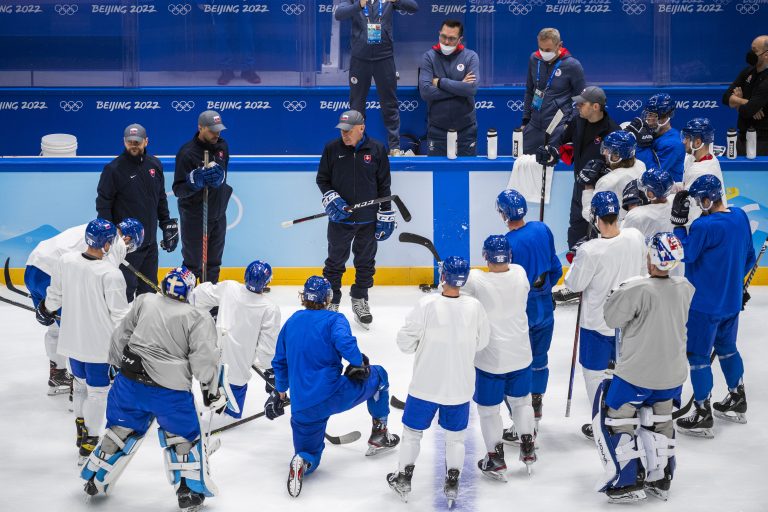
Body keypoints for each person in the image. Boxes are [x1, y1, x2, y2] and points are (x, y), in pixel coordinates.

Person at [80, 266, 226, 512]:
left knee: (120, 429)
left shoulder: (144, 301)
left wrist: (115, 365)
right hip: (169, 393)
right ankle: (188, 491)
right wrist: (211, 391)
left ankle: (94, 476)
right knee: (183, 437)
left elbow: (120, 336)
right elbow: (204, 359)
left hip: (128, 384)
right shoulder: (198, 317)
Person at [267, 276, 398, 498]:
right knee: (380, 376)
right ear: (327, 297)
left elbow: (280, 362)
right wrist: (359, 363)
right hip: (333, 394)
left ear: (304, 296)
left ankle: (302, 461)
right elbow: (345, 343)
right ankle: (380, 434)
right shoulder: (334, 319)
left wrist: (280, 393)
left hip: (302, 407)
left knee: (309, 453)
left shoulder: (292, 322)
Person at [595, 232, 694, 503]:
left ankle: (627, 480)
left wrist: (616, 295)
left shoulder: (636, 289)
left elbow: (612, 318)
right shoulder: (686, 287)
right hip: (672, 376)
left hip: (635, 375)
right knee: (662, 421)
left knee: (617, 420)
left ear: (651, 257)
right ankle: (662, 478)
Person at [388, 256, 489, 506]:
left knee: (412, 433)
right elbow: (482, 342)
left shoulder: (426, 304)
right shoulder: (475, 307)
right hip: (459, 388)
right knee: (456, 438)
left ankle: (403, 477)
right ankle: (453, 480)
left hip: (425, 386)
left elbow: (404, 343)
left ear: (443, 276)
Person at [35, 219, 130, 463]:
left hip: (71, 342)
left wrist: (45, 309)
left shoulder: (66, 261)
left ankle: (81, 430)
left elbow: (54, 296)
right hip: (98, 347)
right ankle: (90, 443)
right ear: (107, 244)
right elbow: (120, 317)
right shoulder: (112, 274)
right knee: (97, 393)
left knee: (79, 386)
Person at [671, 175, 756, 438]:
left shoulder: (703, 226)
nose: (699, 205)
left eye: (700, 201)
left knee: (698, 356)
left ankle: (702, 412)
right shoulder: (740, 216)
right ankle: (737, 397)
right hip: (731, 301)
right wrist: (734, 284)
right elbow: (749, 258)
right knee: (728, 348)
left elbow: (685, 253)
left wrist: (678, 226)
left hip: (704, 305)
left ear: (708, 199)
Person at [562, 192, 645, 440]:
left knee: (594, 373)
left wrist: (577, 258)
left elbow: (574, 284)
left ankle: (601, 423)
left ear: (595, 218)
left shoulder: (590, 250)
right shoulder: (635, 236)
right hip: (629, 321)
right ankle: (624, 418)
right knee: (624, 372)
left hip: (597, 323)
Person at [26, 219, 143, 395]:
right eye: (131, 246)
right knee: (77, 331)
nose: (127, 249)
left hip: (32, 268)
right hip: (50, 275)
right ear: (127, 238)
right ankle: (82, 381)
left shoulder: (98, 229)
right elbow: (102, 285)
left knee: (55, 327)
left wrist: (48, 307)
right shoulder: (114, 243)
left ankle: (58, 374)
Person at [463, 236, 536, 481]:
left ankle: (495, 457)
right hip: (521, 354)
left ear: (485, 256)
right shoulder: (520, 272)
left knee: (488, 410)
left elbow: (455, 292)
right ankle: (528, 446)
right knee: (522, 402)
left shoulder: (476, 279)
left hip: (490, 358)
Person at [316, 110, 395, 328]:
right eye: (342, 130)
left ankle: (360, 298)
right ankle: (332, 299)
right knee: (334, 263)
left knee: (365, 263)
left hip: (367, 221)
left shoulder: (377, 149)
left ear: (361, 128)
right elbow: (322, 179)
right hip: (340, 220)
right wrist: (331, 196)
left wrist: (385, 212)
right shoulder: (332, 148)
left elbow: (384, 185)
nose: (344, 134)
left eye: (349, 130)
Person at [496, 190, 562, 433]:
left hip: (522, 310)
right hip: (545, 305)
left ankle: (521, 423)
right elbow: (556, 269)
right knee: (540, 357)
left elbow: (504, 286)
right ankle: (536, 402)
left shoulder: (507, 243)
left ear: (504, 213)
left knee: (516, 362)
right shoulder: (542, 229)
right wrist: (544, 290)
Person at [189, 260, 279, 421]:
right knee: (230, 414)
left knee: (212, 384)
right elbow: (267, 346)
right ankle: (223, 416)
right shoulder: (269, 308)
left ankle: (213, 405)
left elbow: (199, 295)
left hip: (212, 356)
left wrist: (190, 301)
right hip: (238, 366)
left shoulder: (230, 287)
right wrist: (270, 369)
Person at [97, 123, 178, 301]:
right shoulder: (113, 169)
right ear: (124, 142)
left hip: (150, 244)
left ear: (146, 141)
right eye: (130, 142)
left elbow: (160, 198)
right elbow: (103, 205)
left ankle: (144, 321)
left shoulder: (155, 164)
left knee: (148, 295)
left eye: (137, 142)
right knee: (123, 294)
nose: (133, 145)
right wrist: (110, 237)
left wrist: (166, 224)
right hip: (126, 246)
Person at [536, 86, 620, 248]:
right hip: (580, 189)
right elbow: (561, 142)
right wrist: (551, 153)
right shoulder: (577, 121)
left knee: (601, 237)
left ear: (595, 106)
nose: (578, 106)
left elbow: (619, 165)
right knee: (576, 233)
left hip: (602, 192)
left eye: (582, 104)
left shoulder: (612, 131)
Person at [335, 0, 419, 155]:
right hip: (360, 60)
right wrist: (359, 5)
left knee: (389, 104)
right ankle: (357, 146)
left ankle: (394, 147)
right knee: (357, 105)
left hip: (384, 58)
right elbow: (339, 14)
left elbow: (413, 7)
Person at [173, 110, 232, 284]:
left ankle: (210, 297)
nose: (217, 134)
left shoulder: (222, 147)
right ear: (200, 127)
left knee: (214, 264)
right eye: (212, 130)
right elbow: (178, 190)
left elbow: (223, 175)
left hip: (218, 215)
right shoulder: (187, 153)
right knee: (193, 265)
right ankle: (189, 298)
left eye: (219, 129)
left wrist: (220, 177)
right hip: (195, 218)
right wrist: (194, 182)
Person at [418, 19, 479, 156]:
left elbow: (471, 89)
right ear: (439, 33)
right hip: (437, 130)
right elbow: (426, 92)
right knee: (436, 169)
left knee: (466, 168)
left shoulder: (471, 57)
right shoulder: (428, 57)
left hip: (466, 130)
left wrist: (441, 82)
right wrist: (460, 86)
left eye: (451, 39)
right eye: (443, 36)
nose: (446, 42)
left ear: (460, 39)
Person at [522, 27, 586, 154]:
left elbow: (581, 98)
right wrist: (525, 120)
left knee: (552, 163)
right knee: (523, 162)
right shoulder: (534, 59)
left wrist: (568, 125)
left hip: (558, 127)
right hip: (534, 125)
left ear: (559, 45)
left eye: (548, 50)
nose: (543, 53)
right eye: (540, 49)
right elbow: (529, 91)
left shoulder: (573, 65)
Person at [577, 130, 645, 223]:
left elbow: (590, 215)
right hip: (639, 224)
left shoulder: (607, 181)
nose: (604, 152)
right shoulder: (640, 165)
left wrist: (588, 186)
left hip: (617, 227)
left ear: (617, 155)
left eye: (608, 150)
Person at [722, 35, 768, 156]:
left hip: (763, 141)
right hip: (742, 137)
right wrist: (744, 101)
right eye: (751, 49)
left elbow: (747, 111)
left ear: (766, 55)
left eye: (755, 51)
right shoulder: (747, 71)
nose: (750, 54)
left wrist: (738, 102)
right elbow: (725, 97)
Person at [681, 118, 726, 223]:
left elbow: (692, 208)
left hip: (709, 222)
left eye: (687, 138)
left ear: (697, 142)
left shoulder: (702, 171)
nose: (683, 141)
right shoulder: (694, 157)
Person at [623, 168, 675, 248]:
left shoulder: (637, 215)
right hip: (670, 251)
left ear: (650, 194)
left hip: (646, 254)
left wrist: (631, 208)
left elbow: (624, 240)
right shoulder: (676, 202)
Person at [642, 93, 686, 182]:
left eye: (653, 116)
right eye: (648, 115)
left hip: (666, 188)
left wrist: (641, 147)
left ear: (665, 118)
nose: (648, 119)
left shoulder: (673, 144)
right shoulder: (655, 134)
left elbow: (654, 174)